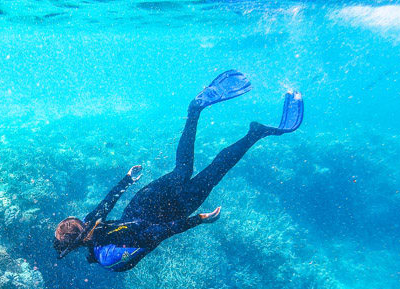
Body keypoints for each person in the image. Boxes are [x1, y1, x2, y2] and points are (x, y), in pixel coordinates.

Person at [53, 70, 303, 272]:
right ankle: (195, 110)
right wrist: (127, 180)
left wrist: (198, 220)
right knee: (183, 169)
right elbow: (108, 201)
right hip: (144, 201)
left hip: (169, 213)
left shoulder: (108, 257)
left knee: (214, 172)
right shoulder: (90, 222)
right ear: (77, 226)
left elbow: (156, 233)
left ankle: (255, 133)